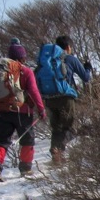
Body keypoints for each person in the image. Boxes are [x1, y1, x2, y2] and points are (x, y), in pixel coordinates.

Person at [0, 40, 46, 182]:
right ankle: (25, 168)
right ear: (22, 57)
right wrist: (41, 109)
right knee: (27, 140)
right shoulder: (25, 71)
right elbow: (34, 91)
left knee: (2, 140)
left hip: (3, 110)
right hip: (22, 111)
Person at [36, 35, 91, 165]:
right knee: (70, 128)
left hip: (49, 98)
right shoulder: (70, 59)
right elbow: (86, 77)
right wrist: (88, 67)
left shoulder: (45, 61)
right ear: (67, 47)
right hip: (66, 98)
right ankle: (58, 150)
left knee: (56, 128)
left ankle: (56, 155)